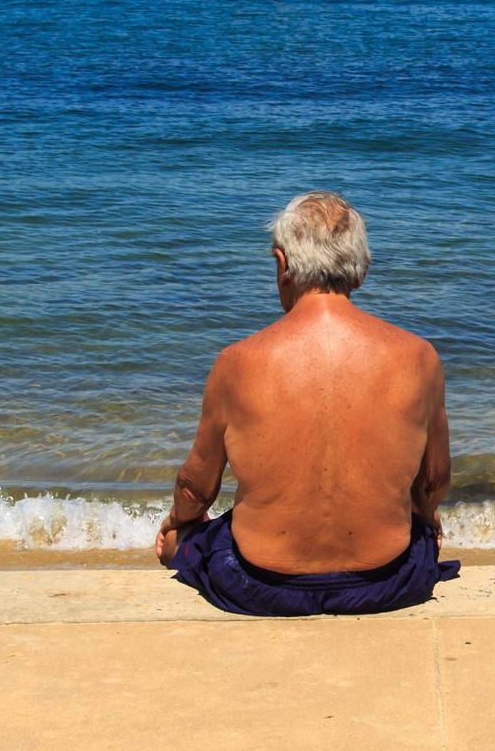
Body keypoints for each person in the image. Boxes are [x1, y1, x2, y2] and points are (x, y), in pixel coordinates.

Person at [157, 192, 455, 615]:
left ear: (282, 264)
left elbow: (196, 487)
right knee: (422, 535)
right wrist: (425, 518)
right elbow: (432, 480)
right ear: (362, 268)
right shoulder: (418, 357)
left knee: (183, 541)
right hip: (388, 581)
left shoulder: (236, 362)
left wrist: (178, 521)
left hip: (258, 584)